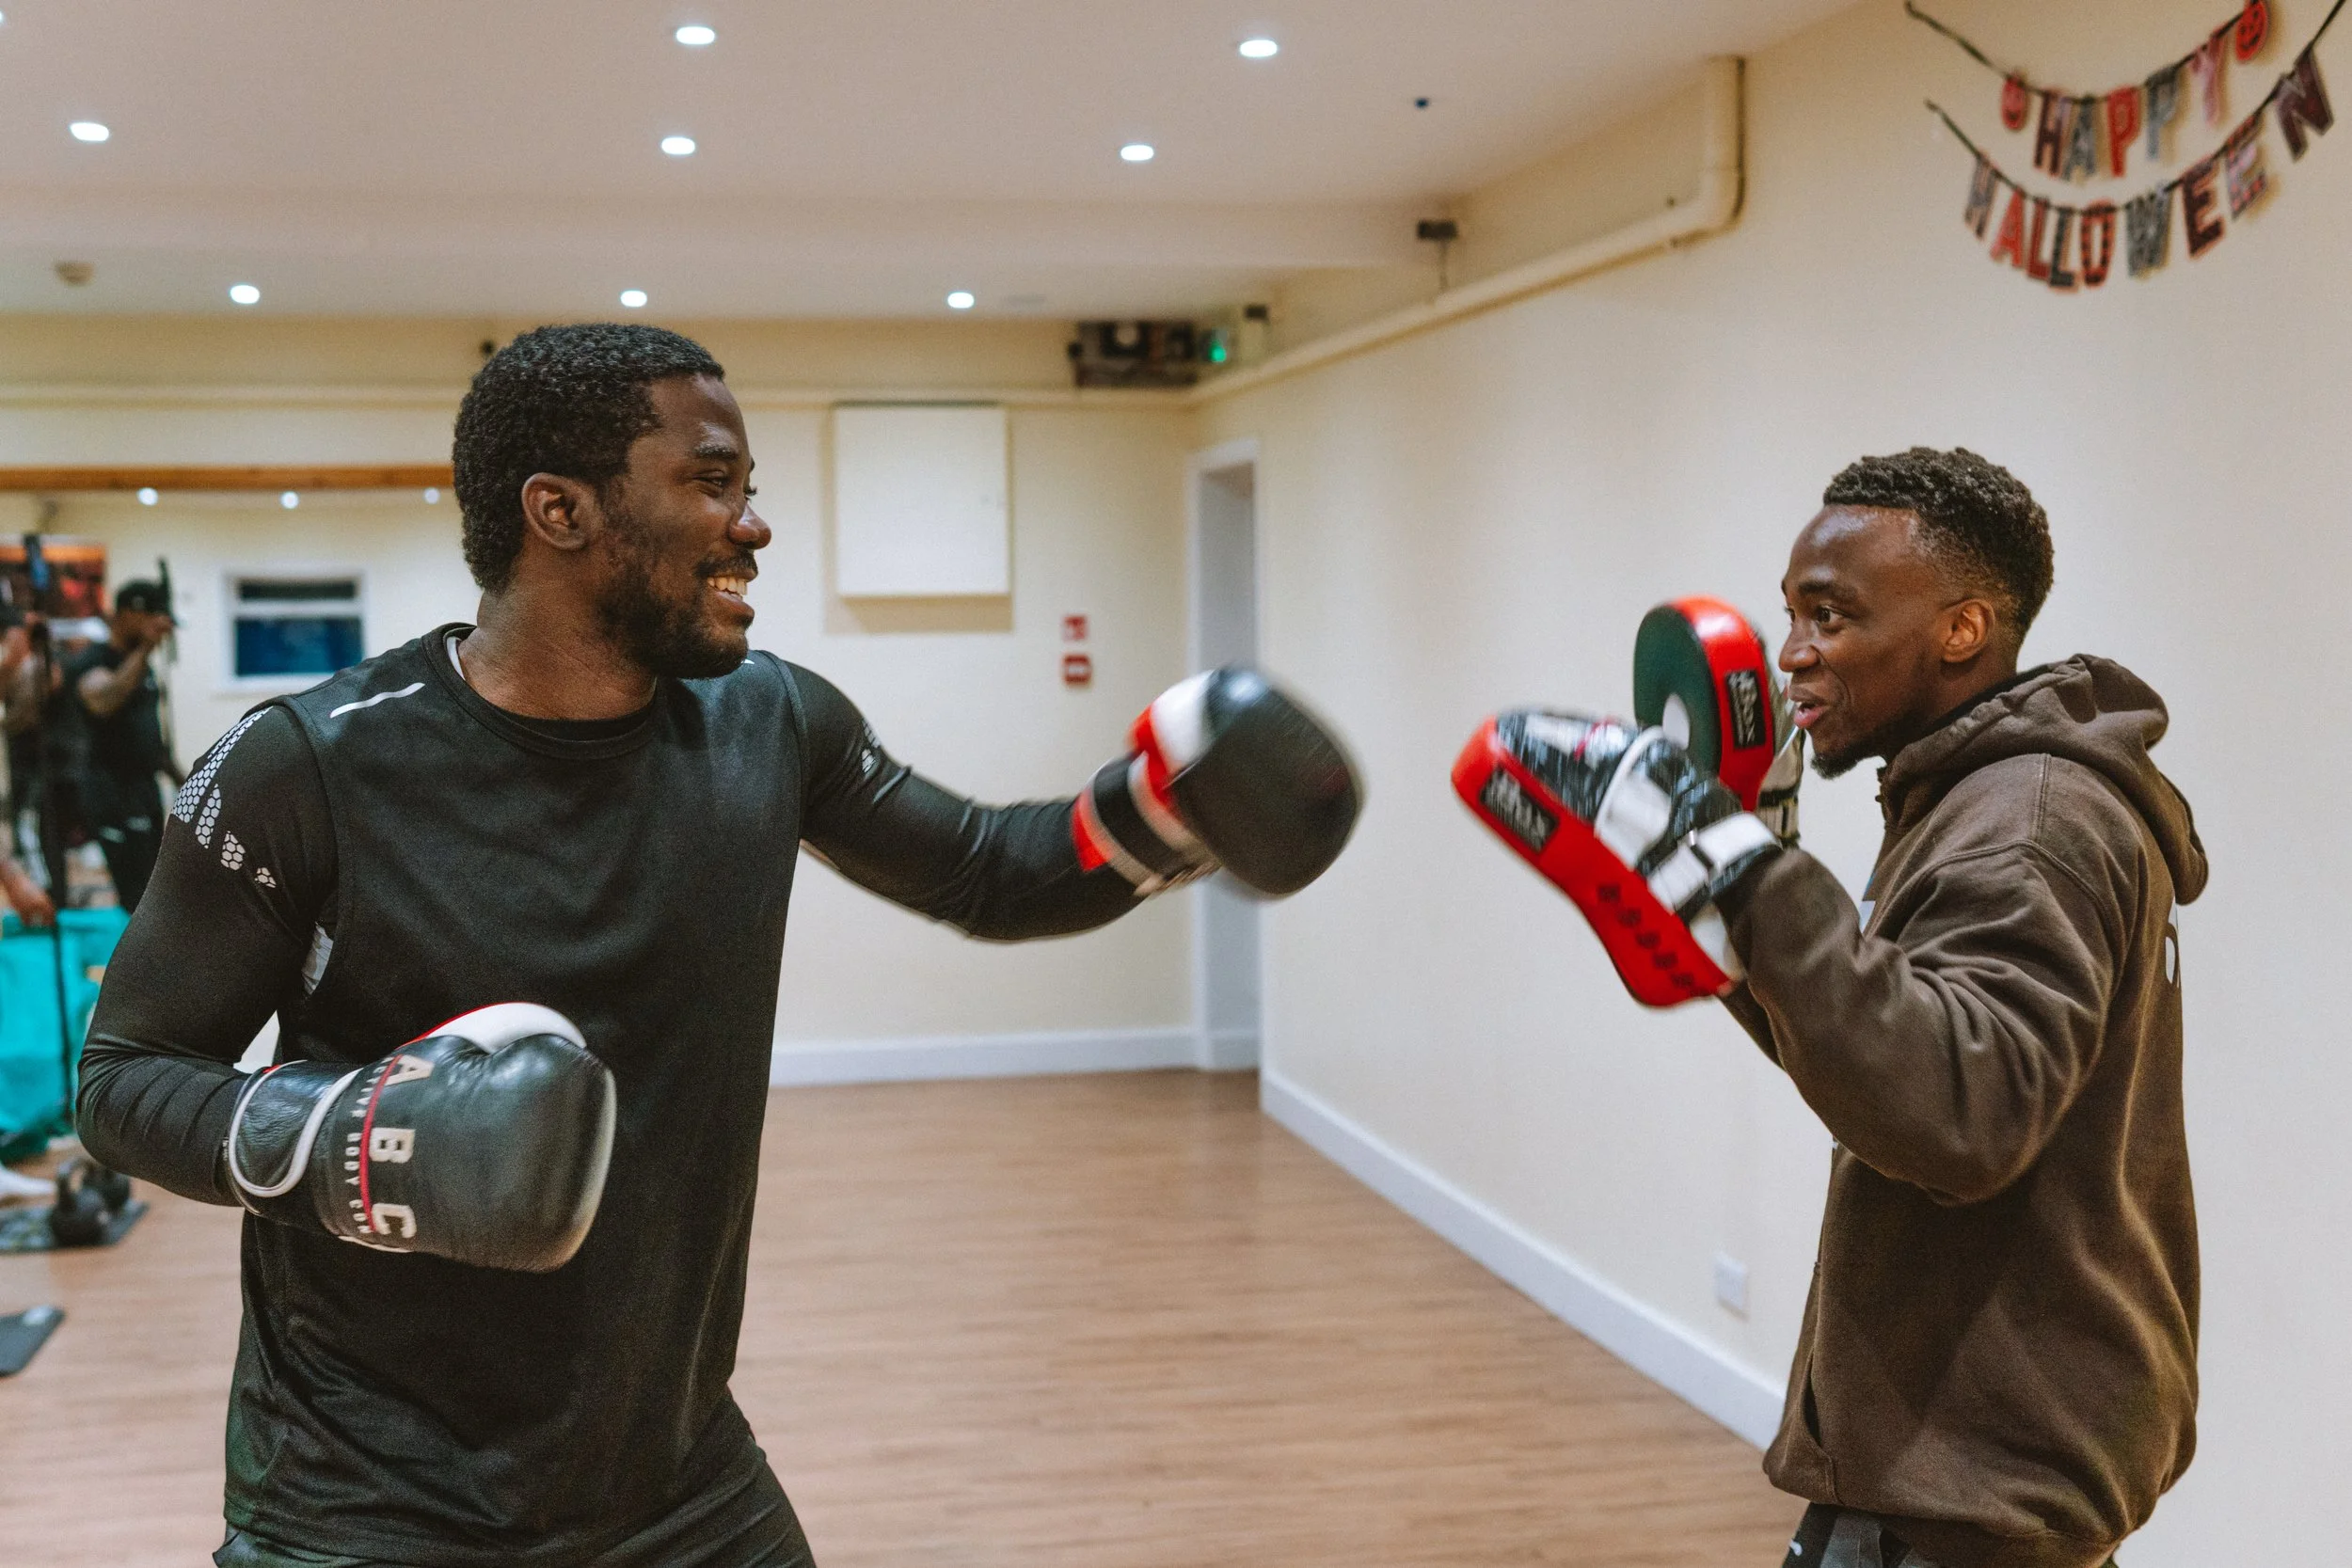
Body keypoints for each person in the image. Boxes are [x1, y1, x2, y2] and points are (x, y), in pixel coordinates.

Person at [75, 323, 1360, 1568]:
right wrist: (348, 1137)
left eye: (749, 486)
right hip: (364, 1495)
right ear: (560, 510)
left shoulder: (770, 722)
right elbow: (126, 1078)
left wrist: (1157, 813)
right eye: (711, 482)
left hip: (672, 1474)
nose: (753, 523)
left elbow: (988, 869)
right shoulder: (305, 763)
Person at [1462, 448, 2200, 1568]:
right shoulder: (1973, 797)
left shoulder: (2027, 822)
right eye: (1791, 614)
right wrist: (1754, 868)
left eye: (1831, 615)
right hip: (1967, 1444)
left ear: (1961, 629)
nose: (1794, 651)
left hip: (1976, 1470)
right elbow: (1879, 1055)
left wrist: (1743, 872)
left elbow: (1961, 1115)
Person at [71, 579, 182, 911]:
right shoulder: (93, 659)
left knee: (153, 886)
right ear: (130, 613)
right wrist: (145, 648)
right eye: (150, 619)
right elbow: (104, 700)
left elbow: (150, 737)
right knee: (135, 892)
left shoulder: (143, 668)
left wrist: (191, 781)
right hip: (110, 791)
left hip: (143, 790)